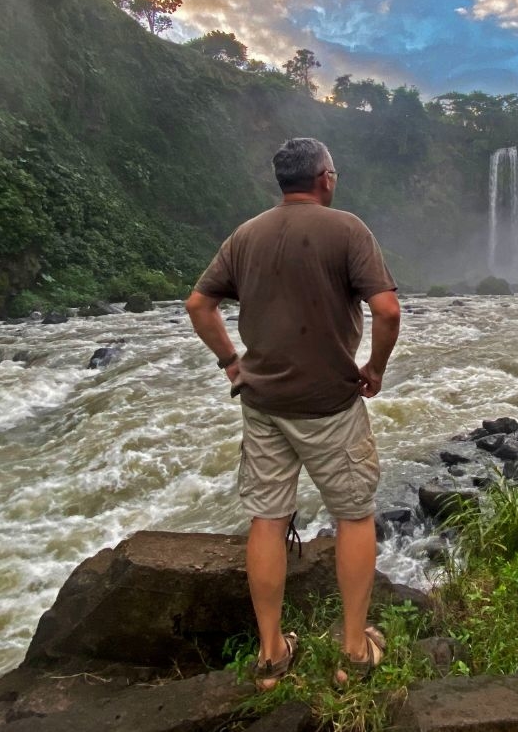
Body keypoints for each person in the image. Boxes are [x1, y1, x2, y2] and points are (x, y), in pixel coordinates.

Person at [185, 137, 401, 690]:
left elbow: (198, 305)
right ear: (325, 178)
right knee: (354, 515)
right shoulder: (349, 230)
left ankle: (271, 654)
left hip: (262, 405)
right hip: (331, 404)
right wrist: (373, 369)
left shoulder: (246, 235)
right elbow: (386, 309)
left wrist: (232, 363)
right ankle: (354, 651)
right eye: (334, 174)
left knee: (268, 519)